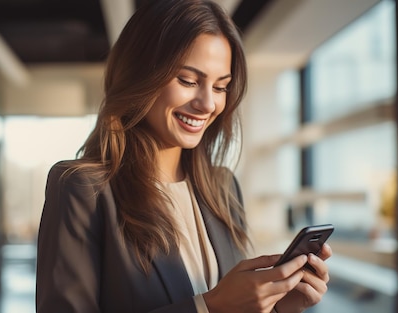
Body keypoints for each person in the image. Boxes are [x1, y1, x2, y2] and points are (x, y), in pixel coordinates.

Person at [35, 0, 332, 312]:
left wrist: (277, 306)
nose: (207, 104)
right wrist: (208, 307)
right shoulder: (83, 190)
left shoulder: (223, 187)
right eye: (189, 81)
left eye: (220, 87)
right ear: (139, 75)